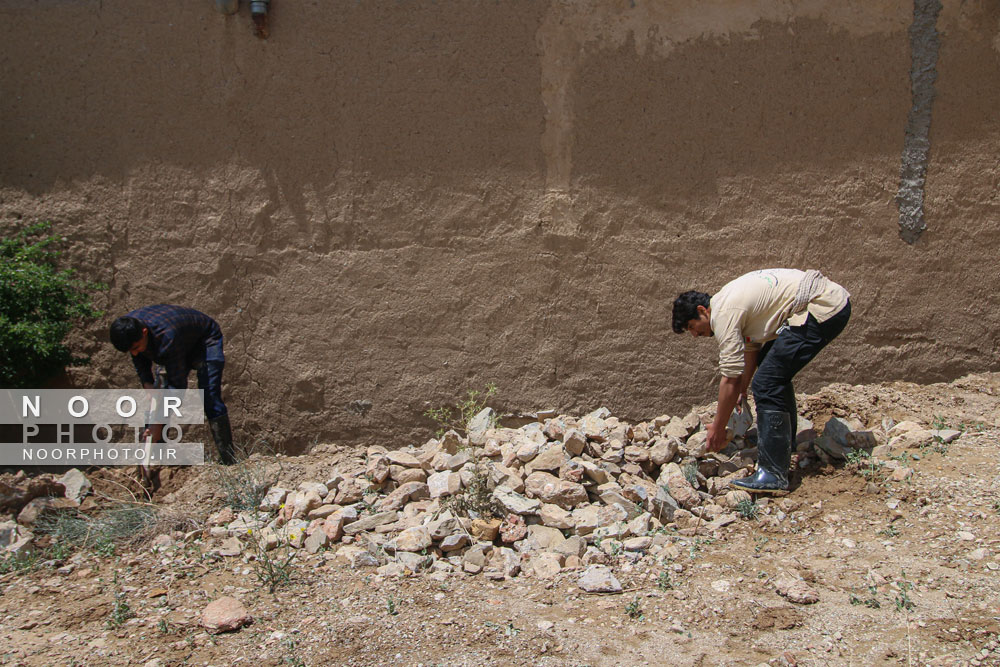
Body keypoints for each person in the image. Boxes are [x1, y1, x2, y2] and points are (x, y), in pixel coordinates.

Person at [672, 269, 851, 493]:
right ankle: (786, 445)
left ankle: (773, 474)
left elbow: (730, 377)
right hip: (826, 303)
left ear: (702, 311)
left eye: (691, 327)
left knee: (767, 383)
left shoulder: (723, 313)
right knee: (770, 368)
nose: (695, 335)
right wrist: (742, 392)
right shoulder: (728, 302)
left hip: (823, 307)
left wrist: (717, 429)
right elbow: (750, 349)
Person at [109, 305, 235, 465]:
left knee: (209, 398)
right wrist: (147, 385)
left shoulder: (167, 337)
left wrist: (157, 425)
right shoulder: (130, 328)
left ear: (144, 333)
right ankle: (155, 460)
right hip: (174, 346)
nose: (134, 353)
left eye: (135, 348)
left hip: (204, 342)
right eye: (130, 351)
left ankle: (229, 461)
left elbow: (177, 388)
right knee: (157, 398)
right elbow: (139, 359)